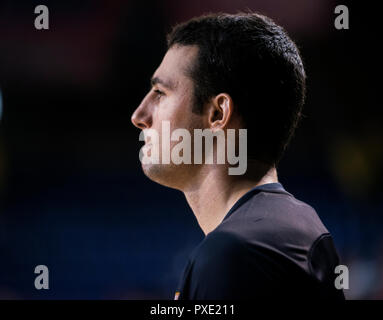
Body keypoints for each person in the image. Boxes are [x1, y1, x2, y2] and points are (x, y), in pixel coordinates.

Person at [131, 12, 345, 300]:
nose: (139, 116)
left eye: (160, 92)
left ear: (218, 113)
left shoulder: (234, 252)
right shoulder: (298, 224)